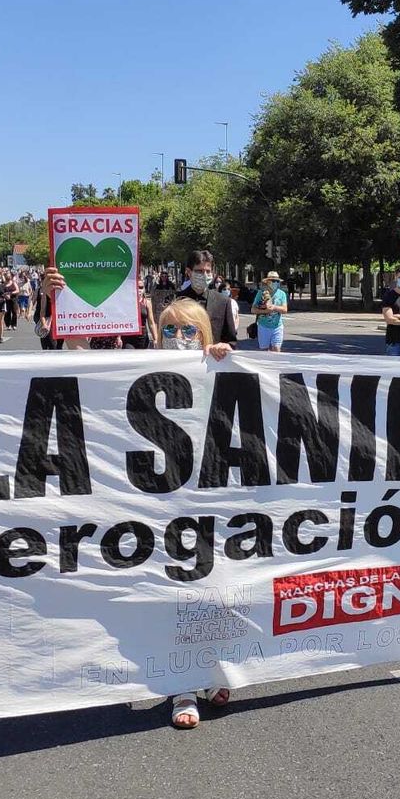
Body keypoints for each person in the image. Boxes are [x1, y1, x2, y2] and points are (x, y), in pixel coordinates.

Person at [153, 299, 235, 728]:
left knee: (217, 591)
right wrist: (63, 309)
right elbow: (78, 370)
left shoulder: (217, 368)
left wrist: (226, 361)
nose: (179, 338)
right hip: (161, 503)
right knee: (175, 596)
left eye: (190, 331)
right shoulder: (136, 369)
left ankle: (213, 670)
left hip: (210, 500)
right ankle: (182, 686)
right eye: (170, 330)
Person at [175, 249, 238, 344]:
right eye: (199, 271)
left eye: (208, 271)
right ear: (188, 272)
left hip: (212, 353)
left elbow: (231, 341)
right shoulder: (176, 301)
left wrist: (224, 346)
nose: (204, 275)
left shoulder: (223, 302)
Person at [253, 269, 288, 351]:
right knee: (264, 351)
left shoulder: (282, 294)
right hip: (263, 326)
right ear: (268, 282)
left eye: (277, 281)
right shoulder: (261, 293)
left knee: (276, 349)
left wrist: (274, 307)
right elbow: (253, 309)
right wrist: (265, 311)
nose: (275, 283)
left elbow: (285, 309)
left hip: (277, 326)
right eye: (273, 281)